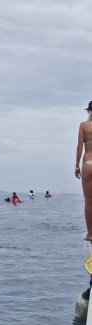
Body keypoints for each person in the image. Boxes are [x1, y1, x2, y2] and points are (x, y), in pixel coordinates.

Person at [76, 101, 92, 240]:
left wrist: (76, 165)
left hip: (88, 163)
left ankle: (90, 234)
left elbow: (79, 146)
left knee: (88, 200)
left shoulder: (84, 125)